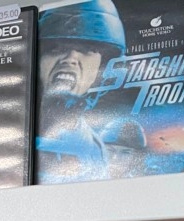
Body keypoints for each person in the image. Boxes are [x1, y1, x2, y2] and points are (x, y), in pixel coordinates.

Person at [35, 0, 125, 183]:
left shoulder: (94, 147)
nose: (71, 58)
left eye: (87, 49)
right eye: (57, 48)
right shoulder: (5, 128)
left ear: (102, 67)